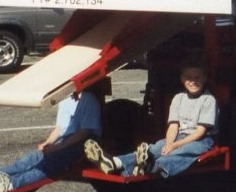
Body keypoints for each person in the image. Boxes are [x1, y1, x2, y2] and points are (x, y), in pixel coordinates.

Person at [83, 61, 217, 179]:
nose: (193, 81)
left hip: (201, 139)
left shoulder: (208, 100)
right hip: (179, 136)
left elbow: (200, 131)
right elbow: (173, 126)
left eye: (197, 77)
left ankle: (151, 166)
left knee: (183, 152)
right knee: (155, 148)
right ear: (182, 79)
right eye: (189, 77)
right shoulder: (178, 98)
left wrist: (175, 146)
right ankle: (115, 162)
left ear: (204, 78)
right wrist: (169, 143)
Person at [0, 87, 102, 192]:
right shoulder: (66, 99)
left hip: (84, 145)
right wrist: (48, 143)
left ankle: (11, 184)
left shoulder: (88, 98)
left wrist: (58, 148)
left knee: (48, 164)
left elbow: (85, 132)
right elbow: (60, 128)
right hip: (66, 142)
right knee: (32, 157)